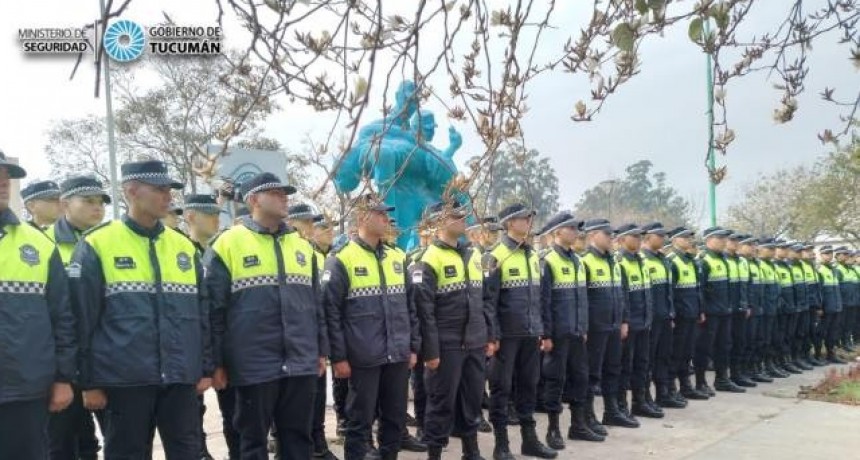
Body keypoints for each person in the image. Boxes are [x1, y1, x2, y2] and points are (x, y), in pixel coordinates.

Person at [69, 159, 212, 459]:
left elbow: (202, 314)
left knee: (188, 452)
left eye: (169, 190)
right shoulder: (98, 243)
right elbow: (82, 319)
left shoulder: (183, 247)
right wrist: (88, 383)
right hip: (124, 380)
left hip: (179, 378)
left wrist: (205, 367)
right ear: (131, 191)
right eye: (159, 189)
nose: (168, 196)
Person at [207, 174, 328, 460]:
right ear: (253, 200)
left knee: (298, 439)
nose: (284, 198)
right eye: (274, 193)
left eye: (285, 193)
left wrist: (321, 350)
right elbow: (213, 310)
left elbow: (316, 305)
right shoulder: (227, 244)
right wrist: (216, 362)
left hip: (299, 361)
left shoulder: (302, 247)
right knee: (251, 443)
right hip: (252, 365)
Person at [323, 193, 419, 460]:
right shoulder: (341, 259)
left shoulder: (397, 258)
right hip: (363, 357)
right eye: (380, 214)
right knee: (359, 421)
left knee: (394, 419)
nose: (386, 218)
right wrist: (338, 357)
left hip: (397, 355)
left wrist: (413, 347)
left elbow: (410, 307)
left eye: (386, 213)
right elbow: (331, 312)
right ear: (362, 217)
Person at [0, 150, 76, 459]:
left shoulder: (39, 246)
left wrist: (63, 378)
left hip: (25, 389)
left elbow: (63, 318)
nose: (4, 183)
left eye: (6, 177)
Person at [409, 199, 494, 460]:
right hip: (446, 345)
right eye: (454, 216)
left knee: (472, 400)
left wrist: (488, 335)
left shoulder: (474, 255)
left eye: (462, 215)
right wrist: (430, 351)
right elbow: (424, 311)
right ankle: (434, 453)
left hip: (474, 342)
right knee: (441, 403)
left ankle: (471, 451)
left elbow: (485, 300)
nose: (462, 219)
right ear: (438, 222)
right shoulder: (427, 259)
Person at [46, 176, 110, 460]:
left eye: (101, 202)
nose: (97, 208)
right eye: (88, 201)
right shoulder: (43, 243)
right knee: (62, 443)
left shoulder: (111, 241)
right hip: (63, 364)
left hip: (106, 359)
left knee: (117, 440)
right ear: (64, 204)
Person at [538, 212, 604, 448]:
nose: (576, 232)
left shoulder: (577, 260)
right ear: (557, 232)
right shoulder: (547, 261)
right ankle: (553, 429)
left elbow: (582, 299)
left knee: (580, 378)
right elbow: (543, 302)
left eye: (577, 228)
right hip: (557, 335)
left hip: (577, 333)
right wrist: (546, 334)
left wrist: (583, 327)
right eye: (571, 228)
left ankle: (578, 425)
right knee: (555, 380)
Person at [580, 218, 638, 434]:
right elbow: (581, 299)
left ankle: (611, 411)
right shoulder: (585, 261)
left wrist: (624, 321)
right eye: (606, 234)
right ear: (593, 235)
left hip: (614, 325)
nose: (611, 238)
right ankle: (587, 416)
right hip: (596, 327)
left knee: (613, 369)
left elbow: (622, 295)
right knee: (592, 374)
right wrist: (584, 327)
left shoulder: (613, 262)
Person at [181, 193, 225, 460]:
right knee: (189, 412)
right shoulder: (180, 250)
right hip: (189, 345)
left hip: (214, 341)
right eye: (210, 215)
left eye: (218, 214)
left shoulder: (218, 250)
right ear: (190, 216)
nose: (216, 219)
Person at [615, 223, 663, 419]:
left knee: (643, 364)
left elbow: (647, 294)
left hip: (644, 322)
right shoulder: (620, 262)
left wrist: (648, 318)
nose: (638, 239)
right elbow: (622, 297)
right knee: (625, 366)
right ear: (622, 239)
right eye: (633, 236)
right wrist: (625, 321)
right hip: (630, 323)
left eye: (639, 236)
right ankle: (621, 406)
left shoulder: (641, 261)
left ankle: (640, 401)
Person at [694, 226, 745, 394]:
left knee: (724, 346)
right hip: (710, 313)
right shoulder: (703, 260)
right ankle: (701, 382)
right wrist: (701, 310)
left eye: (725, 238)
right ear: (708, 240)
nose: (724, 241)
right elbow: (699, 289)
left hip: (724, 311)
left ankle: (722, 379)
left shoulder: (723, 259)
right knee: (704, 348)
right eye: (720, 238)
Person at [640, 222, 685, 409]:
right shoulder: (642, 259)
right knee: (647, 360)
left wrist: (671, 313)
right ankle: (645, 398)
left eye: (663, 235)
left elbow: (669, 291)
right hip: (651, 319)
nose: (662, 238)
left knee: (664, 357)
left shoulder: (664, 260)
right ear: (647, 237)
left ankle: (663, 394)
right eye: (659, 235)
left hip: (665, 316)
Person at [665, 226, 708, 401]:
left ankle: (686, 386)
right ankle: (671, 388)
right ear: (674, 240)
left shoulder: (691, 261)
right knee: (676, 353)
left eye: (690, 238)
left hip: (692, 313)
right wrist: (673, 314)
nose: (689, 240)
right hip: (680, 316)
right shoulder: (672, 261)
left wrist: (700, 310)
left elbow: (697, 289)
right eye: (684, 238)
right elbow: (670, 292)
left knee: (687, 353)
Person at [725, 233, 756, 388]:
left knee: (740, 342)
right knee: (726, 344)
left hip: (741, 309)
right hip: (726, 310)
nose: (735, 243)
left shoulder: (742, 261)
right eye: (732, 240)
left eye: (737, 240)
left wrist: (748, 305)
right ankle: (724, 377)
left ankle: (737, 373)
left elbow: (748, 285)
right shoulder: (723, 260)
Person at [757, 239, 790, 379]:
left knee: (772, 338)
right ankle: (763, 366)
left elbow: (777, 288)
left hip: (774, 309)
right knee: (764, 340)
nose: (772, 251)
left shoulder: (771, 266)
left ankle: (771, 364)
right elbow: (761, 292)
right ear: (760, 249)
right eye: (769, 249)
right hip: (765, 310)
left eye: (773, 249)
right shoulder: (760, 265)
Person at [815, 246, 845, 364]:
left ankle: (830, 354)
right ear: (821, 255)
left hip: (835, 306)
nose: (829, 256)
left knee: (833, 332)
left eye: (830, 253)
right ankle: (818, 355)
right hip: (826, 308)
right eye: (826, 254)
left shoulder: (833, 270)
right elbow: (818, 291)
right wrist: (819, 307)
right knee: (821, 332)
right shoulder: (819, 270)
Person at [799, 244, 825, 366]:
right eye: (807, 250)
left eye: (811, 251)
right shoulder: (801, 266)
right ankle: (804, 356)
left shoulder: (811, 267)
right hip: (806, 306)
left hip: (813, 306)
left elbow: (817, 289)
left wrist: (818, 305)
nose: (810, 253)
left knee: (812, 331)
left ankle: (810, 356)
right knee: (804, 332)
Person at [834, 246, 859, 352]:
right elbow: (836, 288)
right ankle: (841, 343)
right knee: (841, 324)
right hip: (843, 303)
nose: (847, 256)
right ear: (837, 256)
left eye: (847, 254)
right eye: (844, 254)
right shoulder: (838, 270)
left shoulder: (851, 269)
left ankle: (847, 342)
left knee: (849, 323)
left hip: (853, 302)